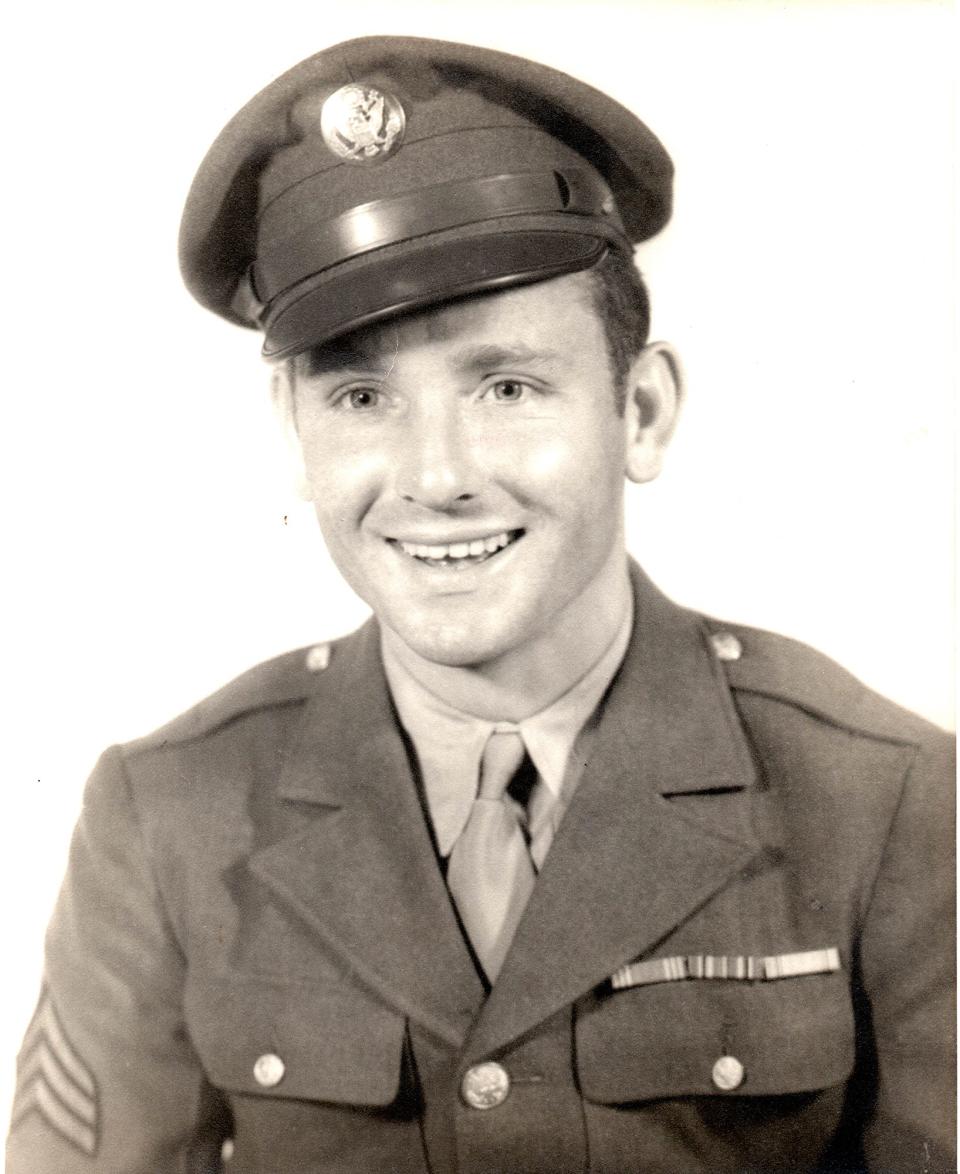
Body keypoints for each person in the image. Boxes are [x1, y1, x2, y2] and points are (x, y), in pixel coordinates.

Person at [7, 34, 954, 1174]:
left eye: (506, 385)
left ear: (640, 410)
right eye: (361, 396)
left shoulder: (888, 803)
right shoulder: (170, 819)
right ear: (294, 438)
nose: (435, 474)